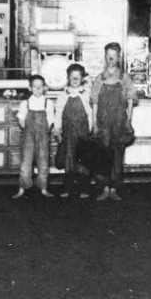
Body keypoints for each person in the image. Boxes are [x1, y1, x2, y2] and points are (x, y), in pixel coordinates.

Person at [90, 42, 136, 202]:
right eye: (108, 56)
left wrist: (128, 121)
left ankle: (114, 188)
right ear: (105, 57)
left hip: (119, 122)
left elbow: (130, 100)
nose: (111, 59)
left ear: (118, 57)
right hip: (103, 122)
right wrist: (94, 124)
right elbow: (94, 102)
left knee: (117, 154)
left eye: (114, 56)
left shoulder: (124, 78)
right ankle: (104, 188)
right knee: (103, 154)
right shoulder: (99, 79)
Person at [53, 63, 93, 199]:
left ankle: (85, 189)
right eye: (72, 77)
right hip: (68, 132)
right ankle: (68, 189)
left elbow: (90, 113)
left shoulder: (86, 94)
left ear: (82, 78)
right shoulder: (62, 95)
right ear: (68, 78)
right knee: (69, 160)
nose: (75, 80)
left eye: (78, 77)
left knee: (83, 161)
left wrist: (91, 128)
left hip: (83, 131)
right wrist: (57, 129)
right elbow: (58, 113)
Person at [13, 75, 55, 199]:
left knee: (43, 162)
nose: (38, 89)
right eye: (35, 86)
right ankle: (22, 188)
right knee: (26, 162)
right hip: (28, 137)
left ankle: (43, 188)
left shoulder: (48, 103)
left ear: (45, 88)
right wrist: (27, 130)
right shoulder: (25, 103)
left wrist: (44, 132)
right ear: (30, 88)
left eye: (40, 86)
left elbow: (51, 120)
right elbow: (21, 119)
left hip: (43, 137)